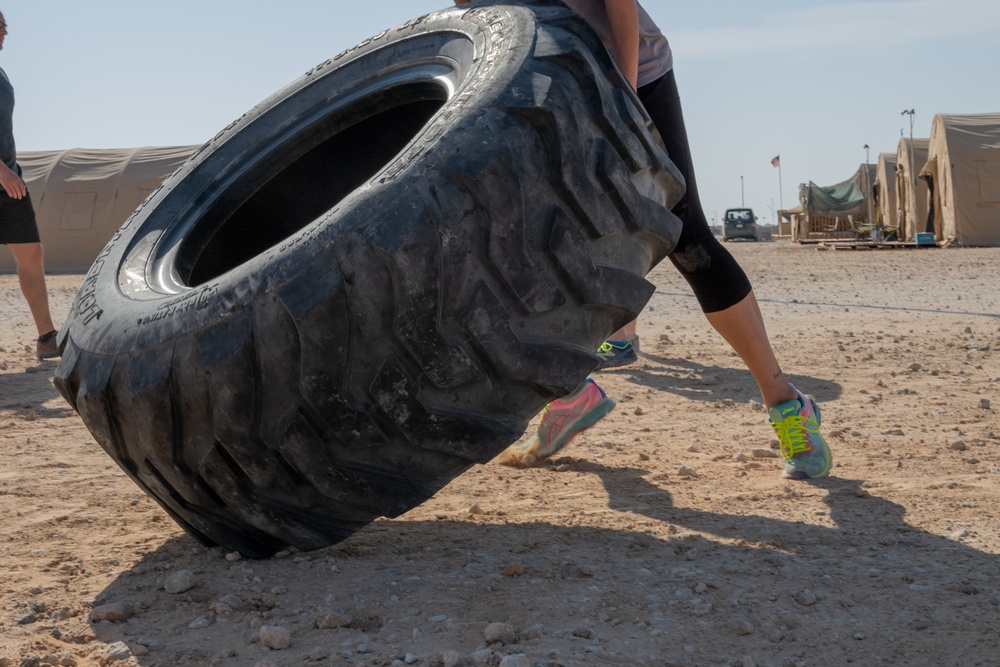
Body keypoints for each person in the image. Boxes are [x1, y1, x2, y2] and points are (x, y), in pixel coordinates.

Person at [455, 0, 831, 480]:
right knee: (531, 239)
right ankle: (571, 394)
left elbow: (620, 6)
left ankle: (788, 405)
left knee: (687, 237)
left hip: (631, 75)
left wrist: (624, 104)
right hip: (551, 81)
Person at [0, 11, 59, 359]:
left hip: (10, 179)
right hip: (3, 176)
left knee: (31, 253)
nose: (5, 31)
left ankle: (47, 338)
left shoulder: (2, 74)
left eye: (5, 25)